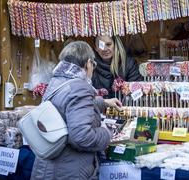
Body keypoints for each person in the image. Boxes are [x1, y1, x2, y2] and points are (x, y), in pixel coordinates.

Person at [31, 41, 122, 180]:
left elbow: (67, 106)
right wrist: (107, 133)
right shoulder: (80, 88)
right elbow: (82, 137)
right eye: (93, 65)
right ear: (88, 63)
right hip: (69, 171)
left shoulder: (57, 81)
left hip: (48, 168)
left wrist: (102, 102)